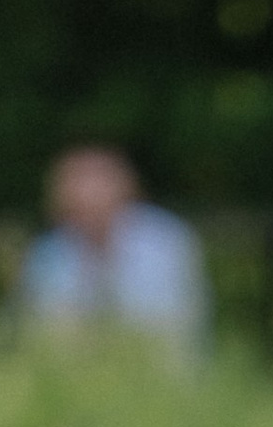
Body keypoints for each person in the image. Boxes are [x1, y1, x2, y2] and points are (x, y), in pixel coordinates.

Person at [21, 148, 209, 360]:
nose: (87, 195)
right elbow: (35, 328)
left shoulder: (165, 242)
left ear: (124, 188)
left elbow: (170, 323)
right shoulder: (49, 252)